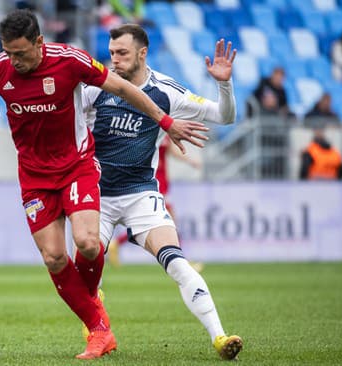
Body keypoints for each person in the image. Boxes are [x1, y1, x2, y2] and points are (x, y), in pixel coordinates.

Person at [0, 9, 208, 360]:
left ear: (39, 43)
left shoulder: (70, 61)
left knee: (89, 244)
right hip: (34, 178)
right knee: (54, 256)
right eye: (8, 52)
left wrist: (165, 121)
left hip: (77, 166)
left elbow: (121, 86)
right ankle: (99, 329)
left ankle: (92, 310)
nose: (14, 61)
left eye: (21, 53)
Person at [81, 24, 242, 360]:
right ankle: (97, 327)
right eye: (111, 53)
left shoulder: (166, 91)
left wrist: (224, 84)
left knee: (179, 264)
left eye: (122, 53)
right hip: (95, 197)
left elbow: (224, 117)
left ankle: (220, 337)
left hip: (141, 194)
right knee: (84, 271)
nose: (114, 60)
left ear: (142, 53)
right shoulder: (96, 88)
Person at [107, 136, 201, 268]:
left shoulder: (164, 130)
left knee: (156, 220)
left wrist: (190, 161)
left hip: (163, 178)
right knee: (169, 220)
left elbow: (171, 151)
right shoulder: (146, 128)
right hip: (153, 179)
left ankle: (117, 243)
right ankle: (182, 261)